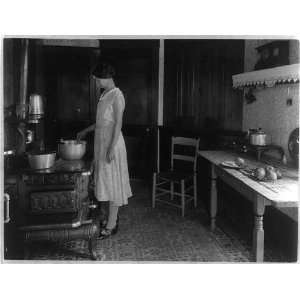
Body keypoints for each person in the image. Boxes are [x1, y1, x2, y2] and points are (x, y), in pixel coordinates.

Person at [77, 61, 132, 239]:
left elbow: (118, 124)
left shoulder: (117, 95)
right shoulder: (104, 94)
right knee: (105, 183)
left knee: (113, 184)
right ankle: (111, 219)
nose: (97, 82)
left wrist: (110, 148)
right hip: (101, 142)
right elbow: (101, 122)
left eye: (98, 79)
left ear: (107, 77)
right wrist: (85, 131)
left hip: (112, 144)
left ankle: (112, 224)